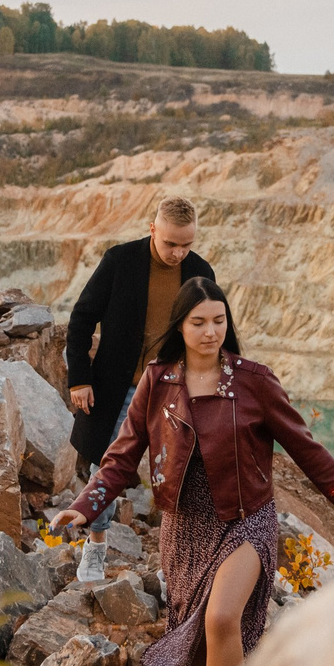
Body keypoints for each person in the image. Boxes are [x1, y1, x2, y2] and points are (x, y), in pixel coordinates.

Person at [51, 277, 334, 666]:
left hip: (245, 519)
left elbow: (307, 448)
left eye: (218, 320)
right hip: (184, 528)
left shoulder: (254, 382)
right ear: (180, 327)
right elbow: (120, 457)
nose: (210, 331)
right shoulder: (157, 382)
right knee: (193, 641)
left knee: (220, 619)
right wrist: (85, 506)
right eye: (198, 322)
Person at [63, 198, 217, 474]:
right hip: (122, 388)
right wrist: (79, 380)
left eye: (186, 245)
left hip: (175, 391)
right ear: (153, 230)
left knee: (179, 471)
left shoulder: (200, 273)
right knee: (109, 467)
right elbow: (82, 318)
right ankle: (97, 519)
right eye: (171, 244)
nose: (178, 253)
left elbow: (211, 333)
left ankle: (170, 519)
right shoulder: (120, 261)